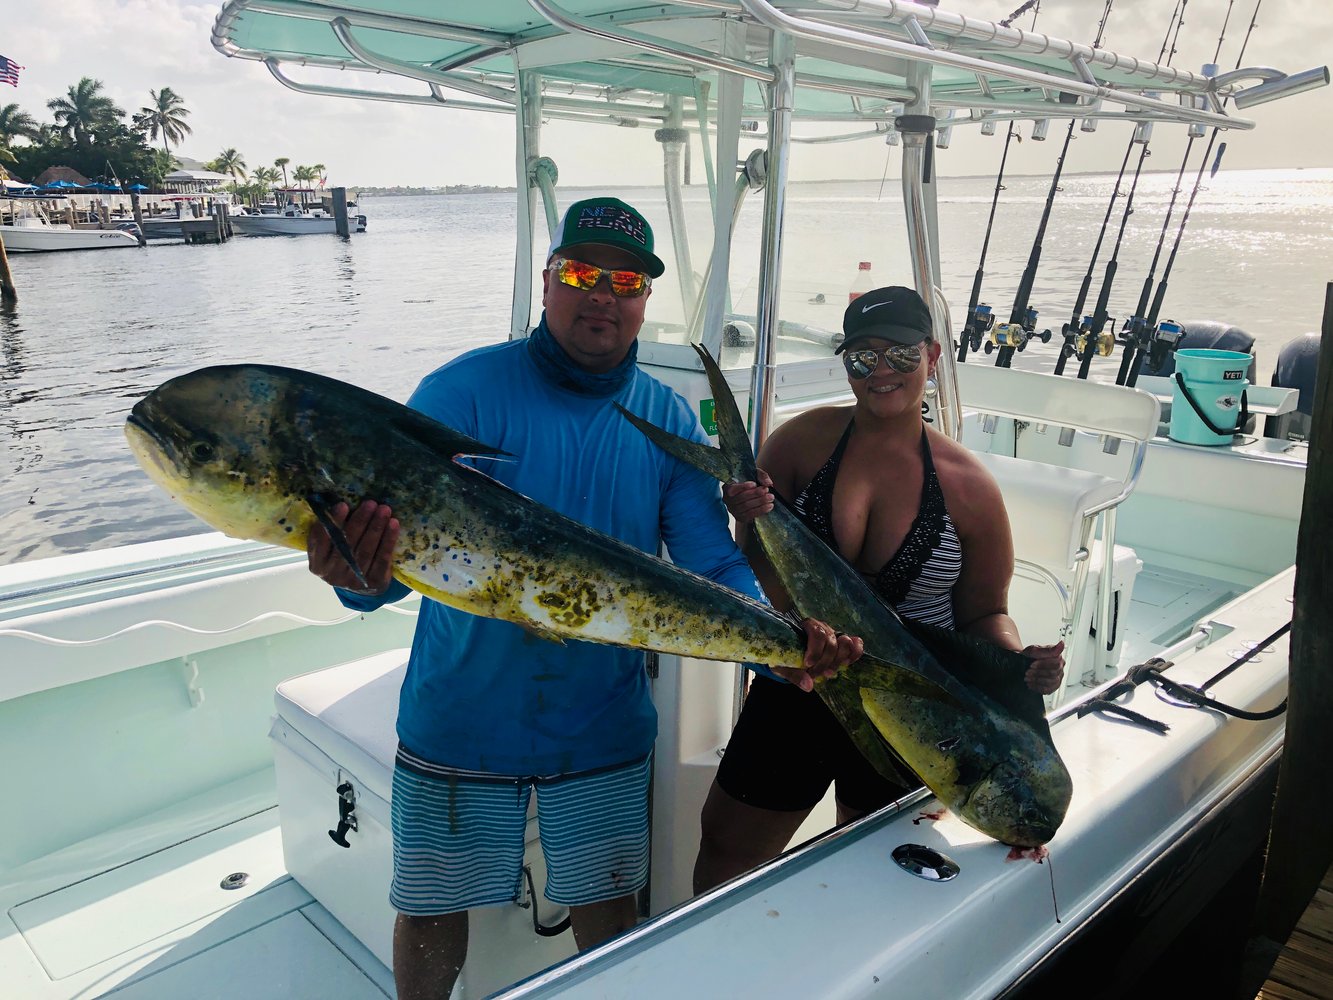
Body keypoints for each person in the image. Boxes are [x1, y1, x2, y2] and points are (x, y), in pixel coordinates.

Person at [304, 196, 862, 1000]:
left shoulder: (666, 421)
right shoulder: (456, 395)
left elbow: (712, 564)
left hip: (600, 721)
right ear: (547, 281)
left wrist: (785, 645)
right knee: (430, 911)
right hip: (459, 716)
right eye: (581, 273)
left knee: (609, 902)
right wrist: (353, 577)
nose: (602, 294)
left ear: (642, 302)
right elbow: (384, 574)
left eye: (625, 280)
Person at [693, 285, 1066, 893]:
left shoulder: (970, 488)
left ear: (934, 355)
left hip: (911, 708)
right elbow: (755, 556)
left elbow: (984, 612)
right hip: (803, 678)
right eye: (863, 357)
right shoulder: (798, 443)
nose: (882, 371)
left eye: (901, 354)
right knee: (726, 848)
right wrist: (748, 514)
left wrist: (1015, 663)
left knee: (880, 863)